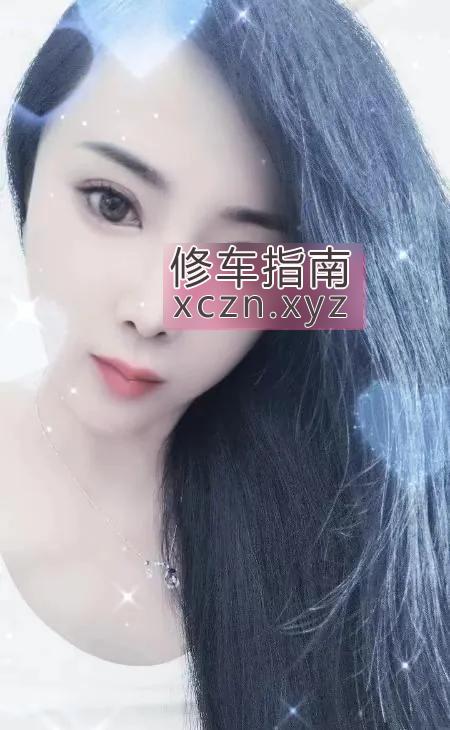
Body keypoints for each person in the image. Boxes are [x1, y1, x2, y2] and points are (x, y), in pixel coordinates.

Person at [1, 1, 449, 728]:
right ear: (29, 163)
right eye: (111, 204)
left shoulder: (356, 532)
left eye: (241, 258)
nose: (154, 310)